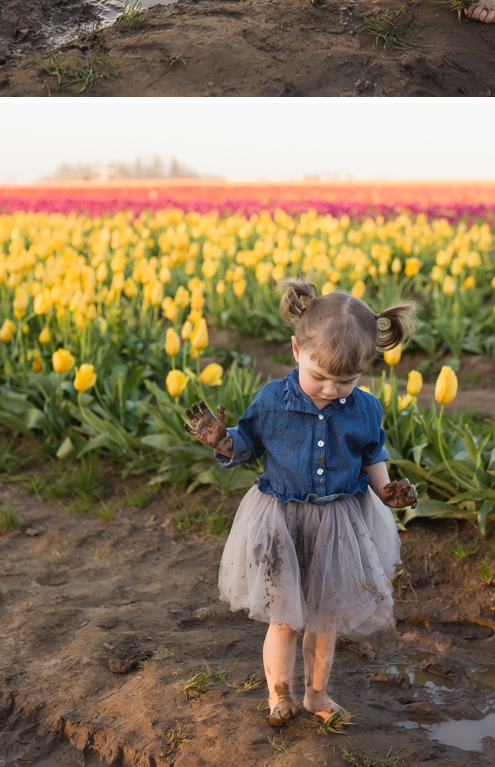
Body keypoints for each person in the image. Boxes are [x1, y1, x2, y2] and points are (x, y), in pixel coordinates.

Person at [186, 280, 419, 726]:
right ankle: (279, 695)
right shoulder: (272, 400)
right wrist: (223, 441)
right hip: (281, 524)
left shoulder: (365, 409)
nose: (331, 389)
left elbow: (373, 458)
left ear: (363, 371)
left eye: (346, 380)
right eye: (321, 376)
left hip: (337, 527)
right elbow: (248, 444)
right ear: (296, 350)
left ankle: (316, 694)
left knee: (324, 620)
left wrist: (387, 491)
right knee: (284, 618)